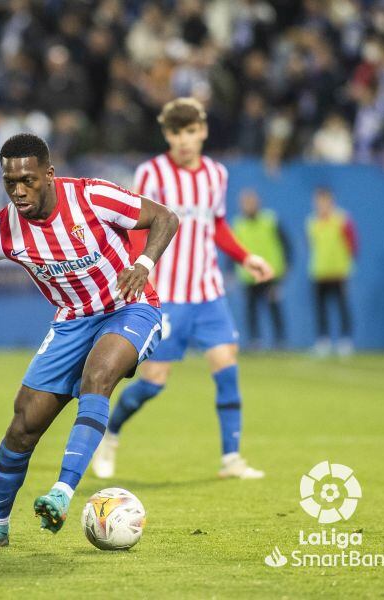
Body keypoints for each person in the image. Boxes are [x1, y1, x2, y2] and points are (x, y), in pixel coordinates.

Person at [0, 133, 178, 548]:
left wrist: (144, 263)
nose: (19, 191)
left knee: (98, 376)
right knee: (23, 426)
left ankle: (62, 491)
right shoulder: (3, 229)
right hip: (71, 322)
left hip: (129, 307)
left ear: (49, 174)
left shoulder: (93, 197)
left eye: (28, 180)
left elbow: (165, 217)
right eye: (10, 182)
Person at [92, 97, 274, 481]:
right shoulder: (152, 173)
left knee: (227, 367)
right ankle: (111, 433)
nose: (185, 140)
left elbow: (218, 225)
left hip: (208, 293)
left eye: (191, 131)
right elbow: (138, 228)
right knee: (154, 382)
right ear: (167, 135)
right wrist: (142, 273)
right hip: (168, 295)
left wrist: (246, 258)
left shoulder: (216, 175)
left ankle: (231, 458)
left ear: (203, 131)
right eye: (177, 132)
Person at [232, 189, 290, 349]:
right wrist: (230, 270)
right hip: (249, 276)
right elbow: (233, 248)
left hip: (270, 274)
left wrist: (286, 265)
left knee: (274, 308)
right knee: (251, 310)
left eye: (251, 202)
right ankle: (255, 341)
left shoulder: (270, 220)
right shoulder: (239, 224)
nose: (248, 206)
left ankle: (280, 340)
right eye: (245, 203)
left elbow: (285, 244)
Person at [307, 187, 357, 356]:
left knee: (342, 307)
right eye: (318, 201)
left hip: (339, 271)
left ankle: (345, 340)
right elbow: (313, 245)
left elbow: (352, 244)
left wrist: (347, 266)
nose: (321, 205)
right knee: (321, 308)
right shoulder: (312, 222)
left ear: (331, 201)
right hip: (319, 271)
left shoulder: (342, 219)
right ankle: (323, 341)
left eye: (324, 201)